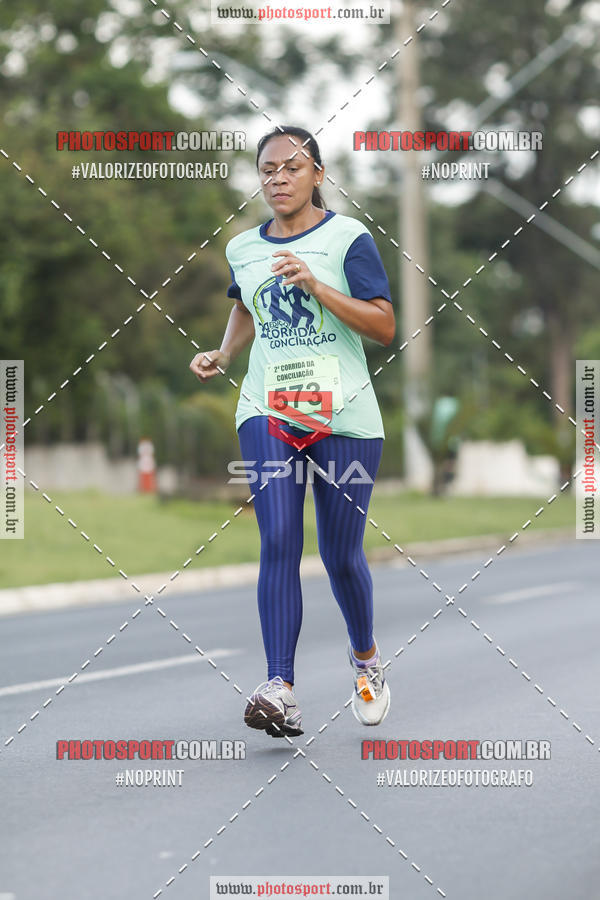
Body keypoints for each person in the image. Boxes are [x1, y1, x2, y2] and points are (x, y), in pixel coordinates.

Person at [190, 125, 395, 739]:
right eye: (267, 169)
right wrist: (225, 353)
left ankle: (365, 659)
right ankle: (280, 687)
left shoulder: (348, 237)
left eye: (291, 167)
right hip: (268, 408)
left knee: (339, 556)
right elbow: (247, 302)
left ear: (318, 176)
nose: (277, 178)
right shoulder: (242, 248)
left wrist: (316, 285)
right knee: (278, 534)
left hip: (345, 415)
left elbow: (383, 326)